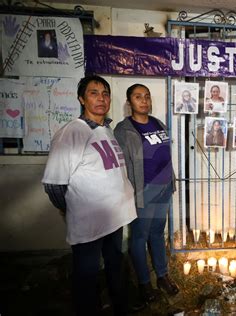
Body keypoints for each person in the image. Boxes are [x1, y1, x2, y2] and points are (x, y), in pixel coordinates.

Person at [42, 75, 137, 315]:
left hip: (114, 219)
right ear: (81, 99)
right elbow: (54, 185)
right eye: (94, 93)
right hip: (89, 224)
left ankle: (120, 307)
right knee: (87, 276)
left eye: (105, 93)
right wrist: (69, 209)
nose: (101, 98)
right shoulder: (71, 133)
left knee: (115, 267)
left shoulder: (106, 129)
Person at [114, 84, 179, 304]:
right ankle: (144, 283)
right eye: (138, 97)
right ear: (129, 102)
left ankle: (162, 276)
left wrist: (171, 181)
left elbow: (165, 155)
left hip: (163, 189)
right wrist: (130, 193)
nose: (144, 101)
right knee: (139, 237)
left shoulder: (158, 123)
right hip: (143, 191)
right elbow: (122, 166)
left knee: (158, 233)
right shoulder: (124, 130)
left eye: (147, 97)